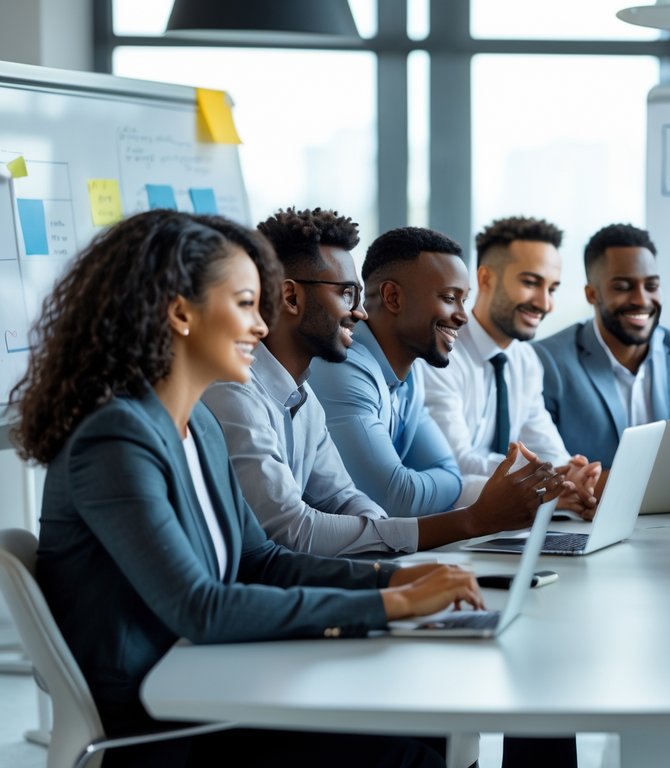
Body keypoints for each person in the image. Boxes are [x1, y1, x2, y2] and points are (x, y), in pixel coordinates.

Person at [12, 210, 484, 767]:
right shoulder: (114, 439)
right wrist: (392, 603)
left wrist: (396, 577)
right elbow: (201, 607)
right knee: (411, 754)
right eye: (244, 305)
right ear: (180, 314)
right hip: (160, 722)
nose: (261, 326)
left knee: (427, 724)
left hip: (208, 680)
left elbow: (263, 560)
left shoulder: (198, 424)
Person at [203, 208, 549, 557]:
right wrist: (472, 521)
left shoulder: (303, 396)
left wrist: (389, 558)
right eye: (347, 293)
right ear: (291, 297)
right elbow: (294, 530)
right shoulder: (236, 393)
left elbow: (344, 498)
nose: (360, 312)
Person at [307, 225, 569, 527]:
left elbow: (451, 475)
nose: (463, 316)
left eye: (463, 300)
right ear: (392, 297)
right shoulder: (343, 367)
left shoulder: (411, 377)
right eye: (448, 298)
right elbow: (397, 498)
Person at [420, 215, 599, 516]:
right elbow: (456, 462)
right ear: (485, 279)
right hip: (449, 520)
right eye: (530, 282)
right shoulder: (440, 354)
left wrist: (569, 473)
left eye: (552, 289)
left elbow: (546, 444)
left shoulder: (526, 360)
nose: (544, 303)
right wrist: (544, 479)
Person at [535, 223, 670, 466]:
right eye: (623, 287)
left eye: (651, 286)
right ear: (592, 294)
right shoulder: (545, 363)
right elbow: (540, 474)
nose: (641, 300)